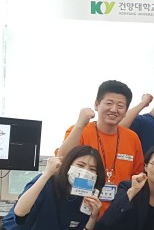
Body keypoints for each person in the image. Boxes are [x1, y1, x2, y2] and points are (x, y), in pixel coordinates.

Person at [58, 80, 144, 214]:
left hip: (118, 213)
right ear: (97, 104)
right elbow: (61, 160)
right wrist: (80, 124)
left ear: (126, 111)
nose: (114, 109)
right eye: (109, 103)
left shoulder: (132, 138)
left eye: (120, 106)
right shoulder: (80, 130)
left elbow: (137, 175)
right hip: (80, 209)